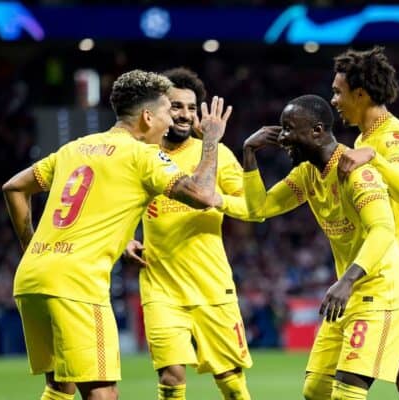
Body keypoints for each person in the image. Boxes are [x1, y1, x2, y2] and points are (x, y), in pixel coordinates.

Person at [2, 69, 232, 400]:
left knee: (59, 387)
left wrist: (32, 247)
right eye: (168, 112)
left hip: (32, 278)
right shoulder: (143, 155)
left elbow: (14, 188)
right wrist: (210, 140)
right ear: (148, 116)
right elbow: (203, 194)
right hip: (77, 284)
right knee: (103, 392)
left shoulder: (77, 148)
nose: (171, 123)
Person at [242, 94, 399, 400]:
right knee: (316, 390)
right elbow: (259, 209)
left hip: (381, 292)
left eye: (288, 129)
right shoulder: (308, 174)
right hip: (348, 296)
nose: (282, 138)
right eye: (281, 129)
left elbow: (383, 230)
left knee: (347, 394)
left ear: (317, 131)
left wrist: (346, 280)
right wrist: (249, 153)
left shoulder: (356, 170)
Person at [123, 67, 256, 400]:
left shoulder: (216, 154)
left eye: (191, 108)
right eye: (176, 107)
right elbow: (118, 204)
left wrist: (216, 199)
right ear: (159, 111)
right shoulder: (141, 155)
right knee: (170, 379)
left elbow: (254, 207)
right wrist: (123, 238)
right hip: (161, 288)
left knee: (232, 383)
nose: (184, 115)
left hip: (212, 287)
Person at [330, 46, 399, 400]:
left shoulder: (394, 137)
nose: (333, 99)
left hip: (397, 281)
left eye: (338, 91)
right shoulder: (364, 138)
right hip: (393, 276)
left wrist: (374, 157)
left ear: (361, 94)